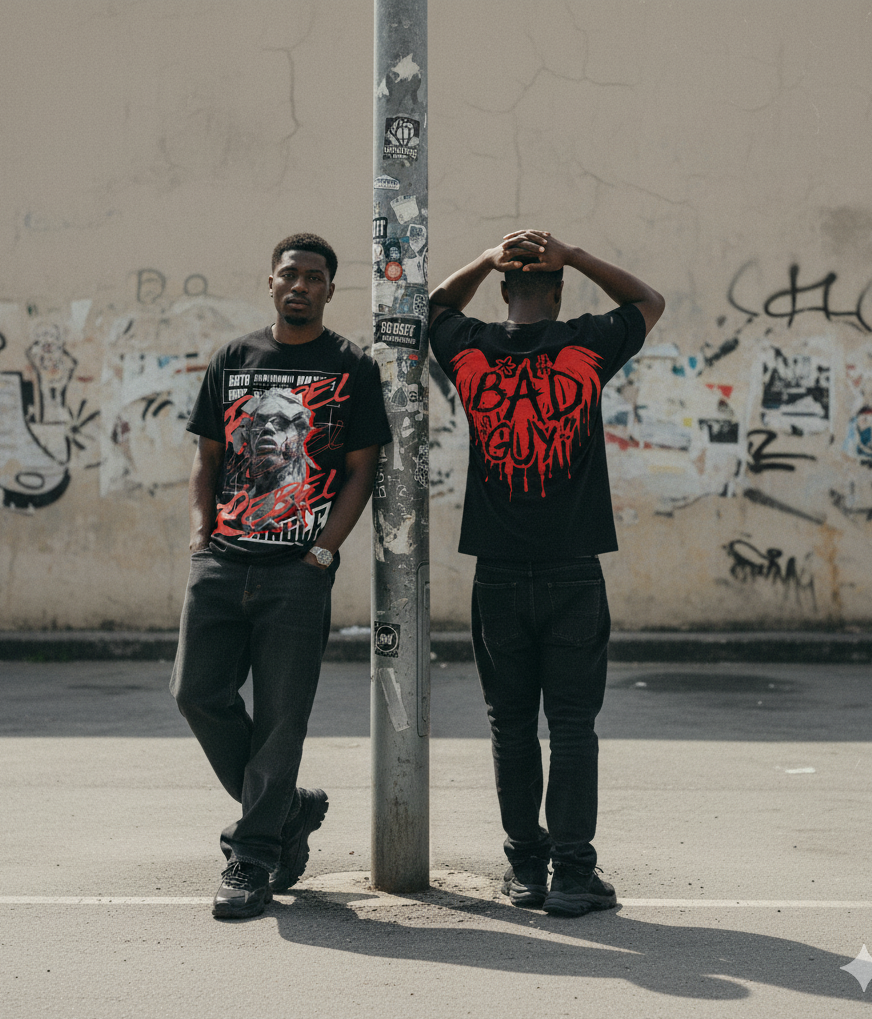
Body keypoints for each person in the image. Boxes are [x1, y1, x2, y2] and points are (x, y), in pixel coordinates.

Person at [428, 230, 664, 917]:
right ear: (558, 291)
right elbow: (649, 300)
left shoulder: (469, 348)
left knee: (509, 725)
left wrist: (481, 257)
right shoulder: (586, 344)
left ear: (504, 290)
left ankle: (527, 870)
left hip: (497, 569)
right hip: (572, 568)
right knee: (571, 725)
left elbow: (431, 306)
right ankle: (573, 876)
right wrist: (580, 254)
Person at [172, 233, 392, 920]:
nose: (300, 286)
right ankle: (285, 807)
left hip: (297, 571)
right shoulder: (234, 359)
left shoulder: (351, 367)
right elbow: (207, 459)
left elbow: (362, 470)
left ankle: (254, 855)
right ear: (271, 281)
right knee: (196, 694)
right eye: (289, 274)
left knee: (280, 720)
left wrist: (323, 551)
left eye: (314, 277)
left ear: (330, 289)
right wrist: (201, 537)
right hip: (222, 561)